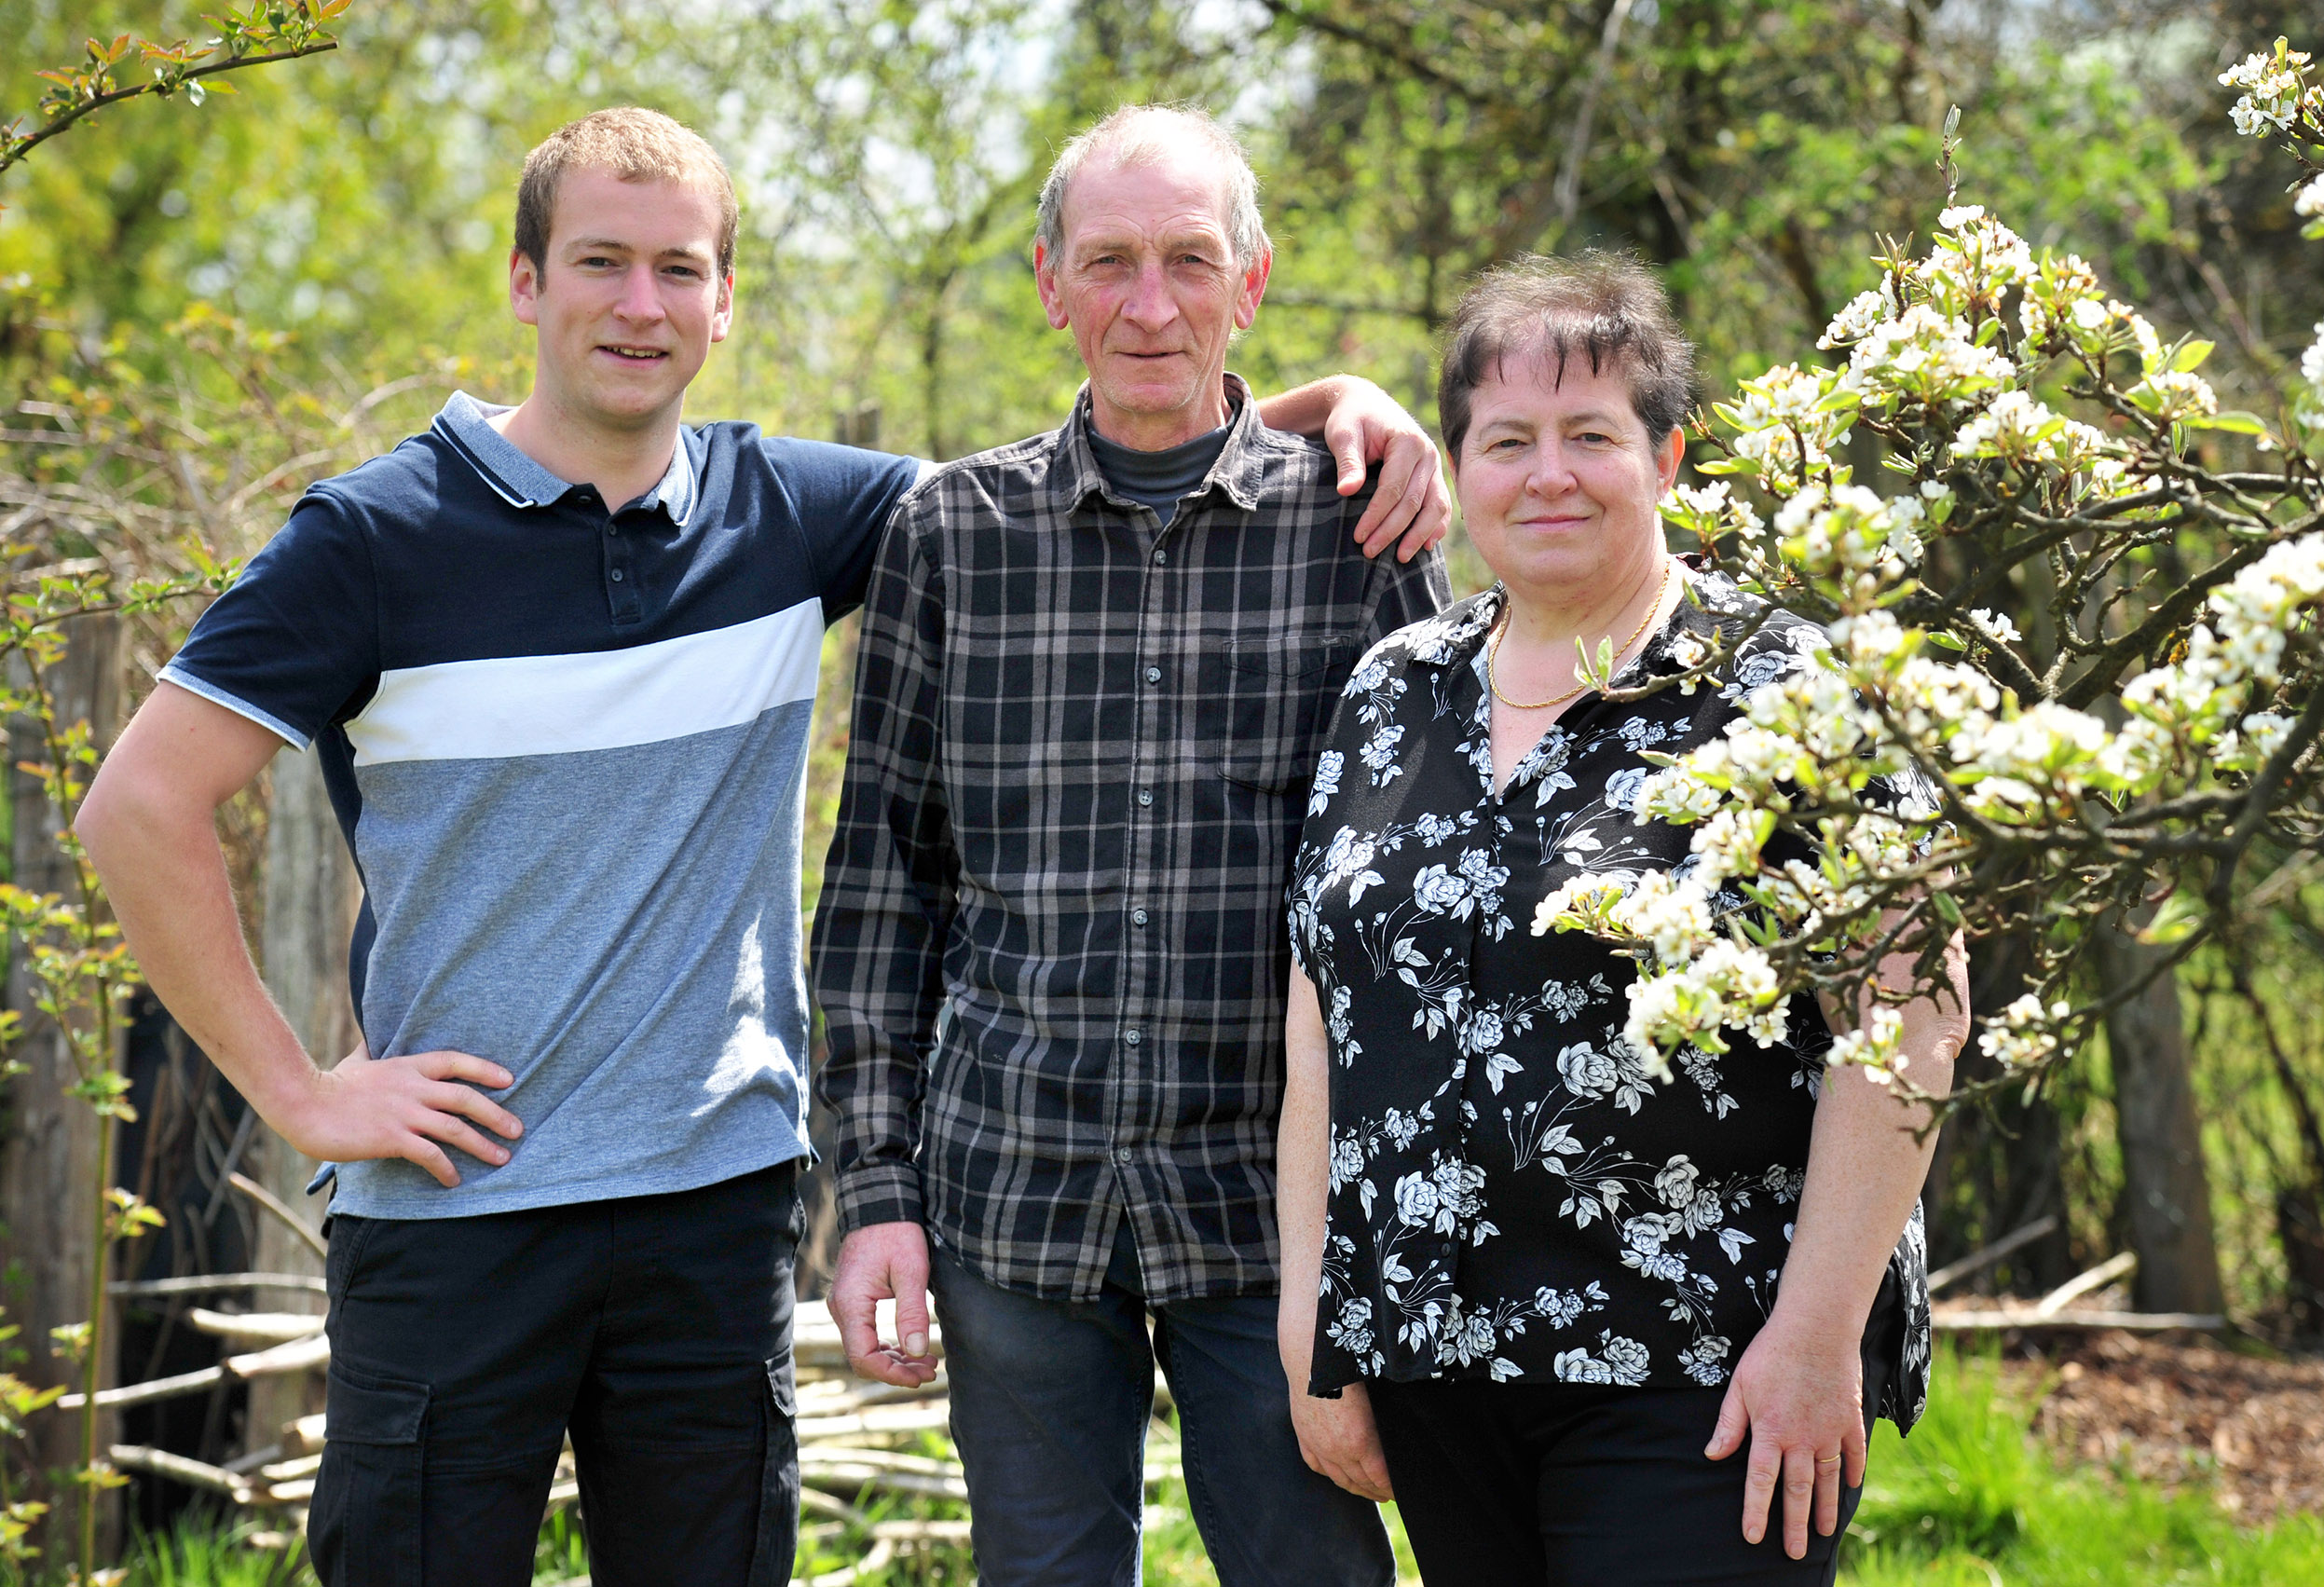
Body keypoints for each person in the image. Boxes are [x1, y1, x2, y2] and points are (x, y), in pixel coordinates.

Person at [75, 106, 1445, 1587]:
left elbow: (1118, 462)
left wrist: (1334, 403)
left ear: (727, 298)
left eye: (680, 269)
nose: (641, 305)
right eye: (601, 262)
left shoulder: (796, 512)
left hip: (716, 1217)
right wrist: (298, 1091)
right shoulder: (376, 537)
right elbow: (137, 808)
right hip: (467, 1212)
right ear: (526, 281)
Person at [813, 104, 1451, 1587]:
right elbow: (881, 892)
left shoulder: (1361, 528)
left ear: (1254, 279)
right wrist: (875, 1199)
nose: (1148, 304)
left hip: (1277, 1215)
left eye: (1187, 259)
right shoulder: (950, 535)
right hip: (1011, 1192)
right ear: (1049, 281)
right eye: (1108, 261)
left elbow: (1424, 897)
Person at [1275, 253, 1971, 1587]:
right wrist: (1320, 1320)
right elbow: (1324, 1018)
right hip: (1436, 1362)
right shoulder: (1391, 690)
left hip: (1707, 1369)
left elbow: (1912, 1011)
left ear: (1668, 456)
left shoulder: (1793, 686)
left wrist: (1818, 1337)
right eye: (1507, 440)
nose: (1548, 475)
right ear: (1459, 465)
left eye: (1591, 435)